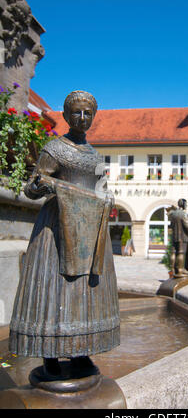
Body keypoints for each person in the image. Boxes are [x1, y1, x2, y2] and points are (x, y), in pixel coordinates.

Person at [9, 90, 120, 378]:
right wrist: (43, 186)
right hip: (57, 229)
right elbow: (31, 188)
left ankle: (82, 351)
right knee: (56, 290)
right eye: (76, 112)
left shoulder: (94, 154)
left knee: (86, 292)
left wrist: (108, 197)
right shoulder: (54, 148)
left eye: (88, 113)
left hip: (90, 229)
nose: (82, 118)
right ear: (66, 115)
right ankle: (50, 357)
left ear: (93, 117)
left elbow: (100, 188)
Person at [167, 199, 188, 277]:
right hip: (183, 236)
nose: (186, 206)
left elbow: (171, 225)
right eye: (185, 204)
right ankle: (180, 270)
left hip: (174, 236)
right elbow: (187, 226)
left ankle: (173, 269)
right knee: (181, 253)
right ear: (183, 204)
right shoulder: (183, 214)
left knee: (173, 252)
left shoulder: (173, 214)